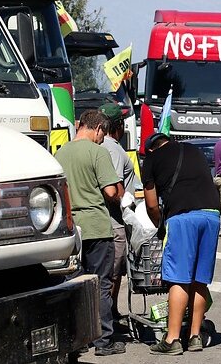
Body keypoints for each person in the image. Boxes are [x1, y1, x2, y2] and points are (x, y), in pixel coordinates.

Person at [141, 133, 221, 355]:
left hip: (183, 216)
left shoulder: (151, 159)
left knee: (179, 278)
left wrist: (161, 225)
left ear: (151, 149)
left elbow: (151, 204)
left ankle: (172, 338)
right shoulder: (193, 150)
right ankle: (195, 336)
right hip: (211, 214)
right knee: (199, 278)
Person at [54, 109, 125, 356]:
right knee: (101, 285)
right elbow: (111, 193)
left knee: (73, 284)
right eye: (102, 134)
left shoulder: (59, 153)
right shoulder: (98, 153)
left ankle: (77, 339)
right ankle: (103, 341)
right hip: (96, 226)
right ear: (96, 129)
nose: (102, 139)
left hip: (72, 230)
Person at [98, 103, 136, 321]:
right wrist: (127, 204)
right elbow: (112, 187)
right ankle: (106, 317)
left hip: (113, 217)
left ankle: (110, 313)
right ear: (118, 126)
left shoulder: (108, 147)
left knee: (115, 270)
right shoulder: (111, 148)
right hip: (115, 218)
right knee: (112, 271)